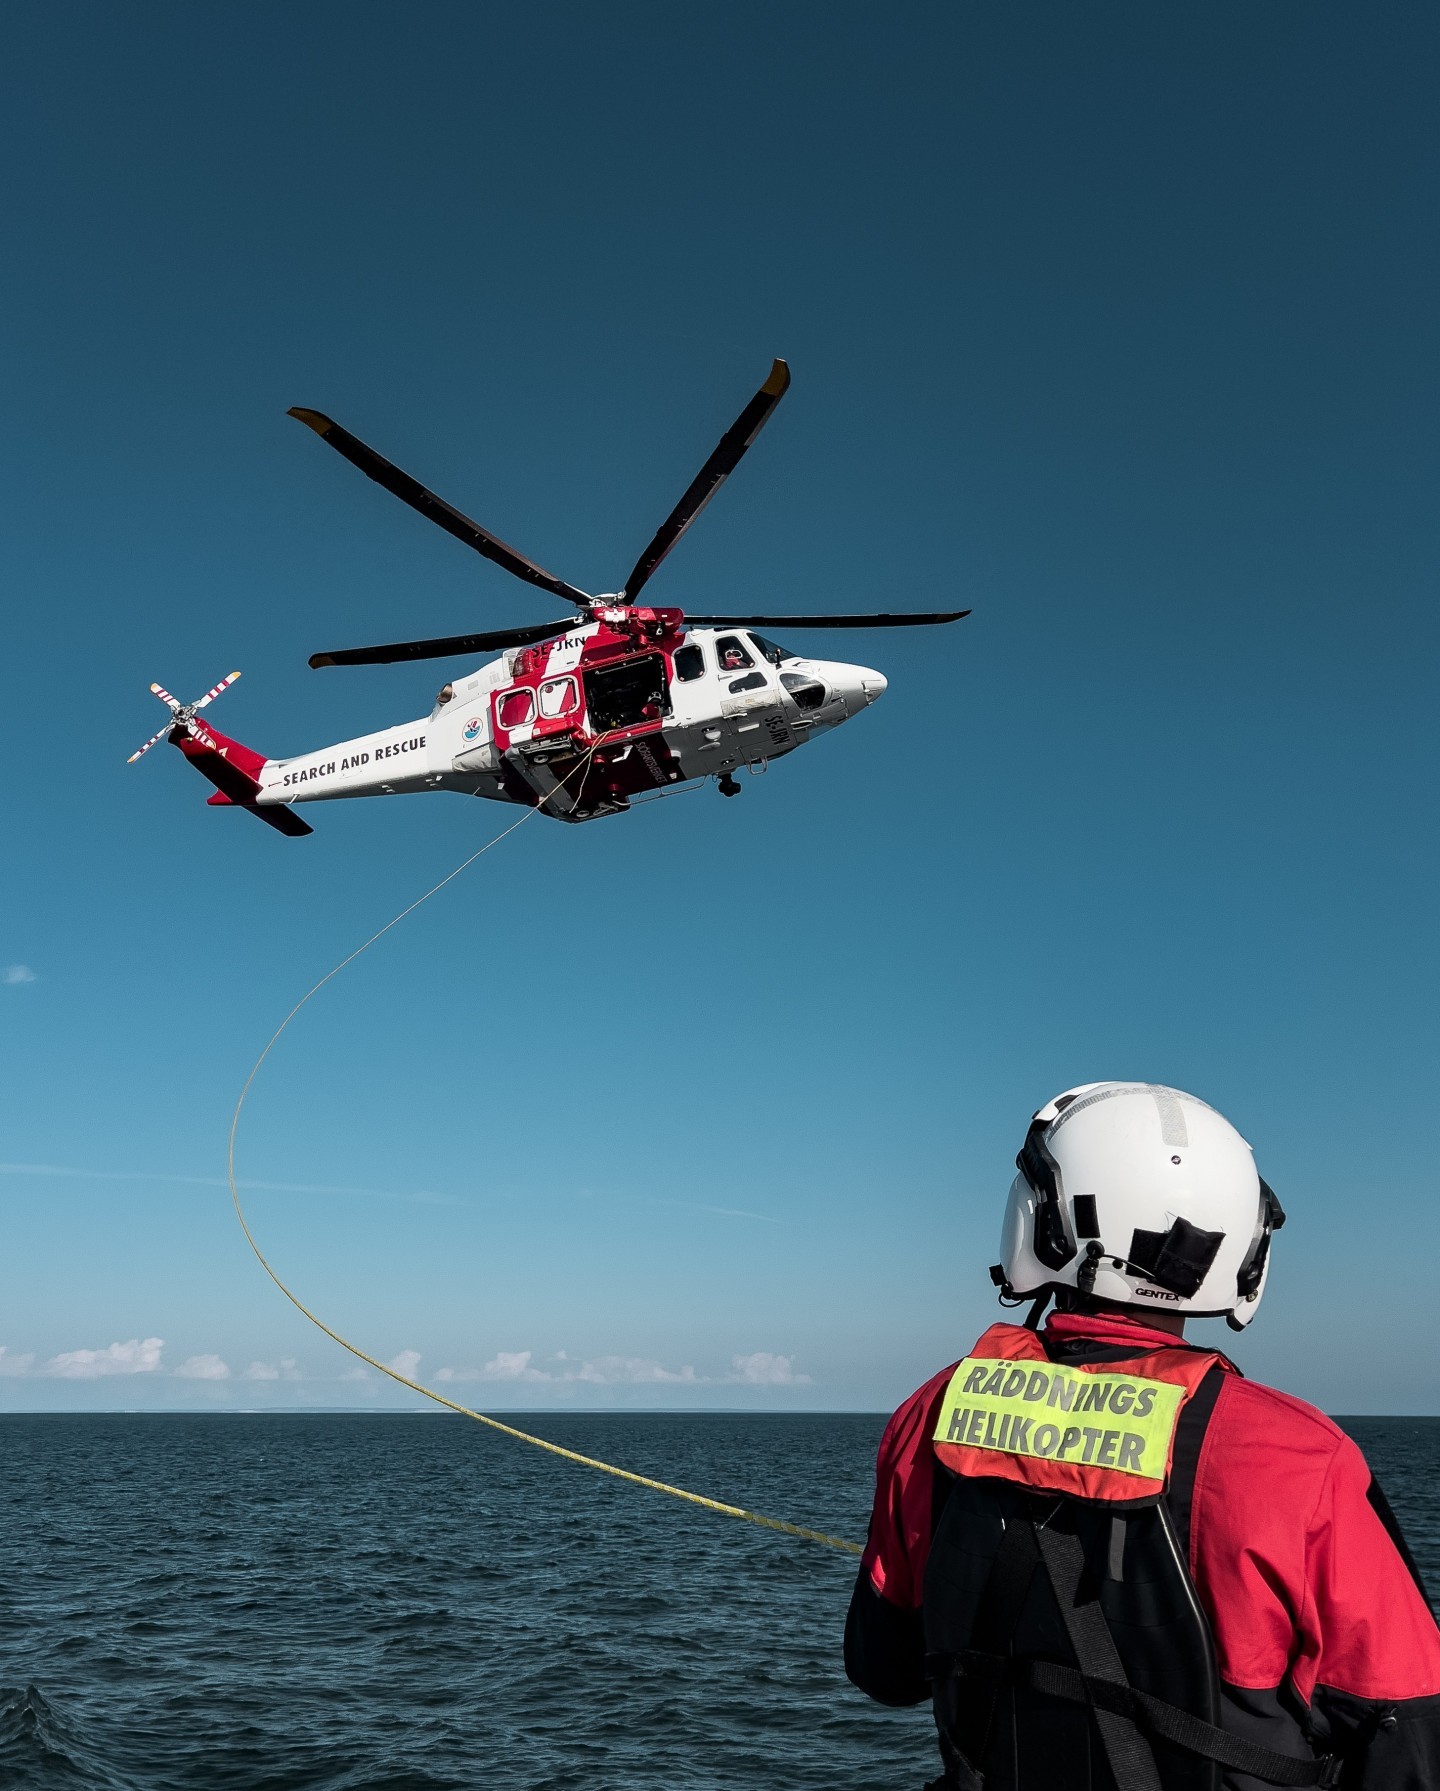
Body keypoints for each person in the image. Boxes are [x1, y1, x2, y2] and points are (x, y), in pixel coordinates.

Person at [846, 1082, 1440, 1790]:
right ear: (1242, 1250)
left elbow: (885, 1669)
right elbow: (1408, 1741)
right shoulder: (1296, 1457)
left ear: (1043, 1220)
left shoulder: (934, 1413)